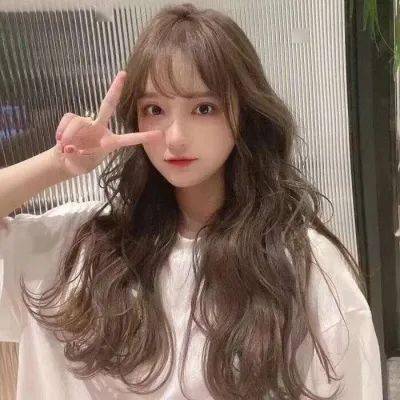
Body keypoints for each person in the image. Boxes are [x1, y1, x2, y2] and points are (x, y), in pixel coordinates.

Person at [0, 3, 382, 400]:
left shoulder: (299, 263)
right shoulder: (79, 244)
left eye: (204, 108)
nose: (176, 137)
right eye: (155, 110)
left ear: (244, 114)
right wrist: (57, 164)